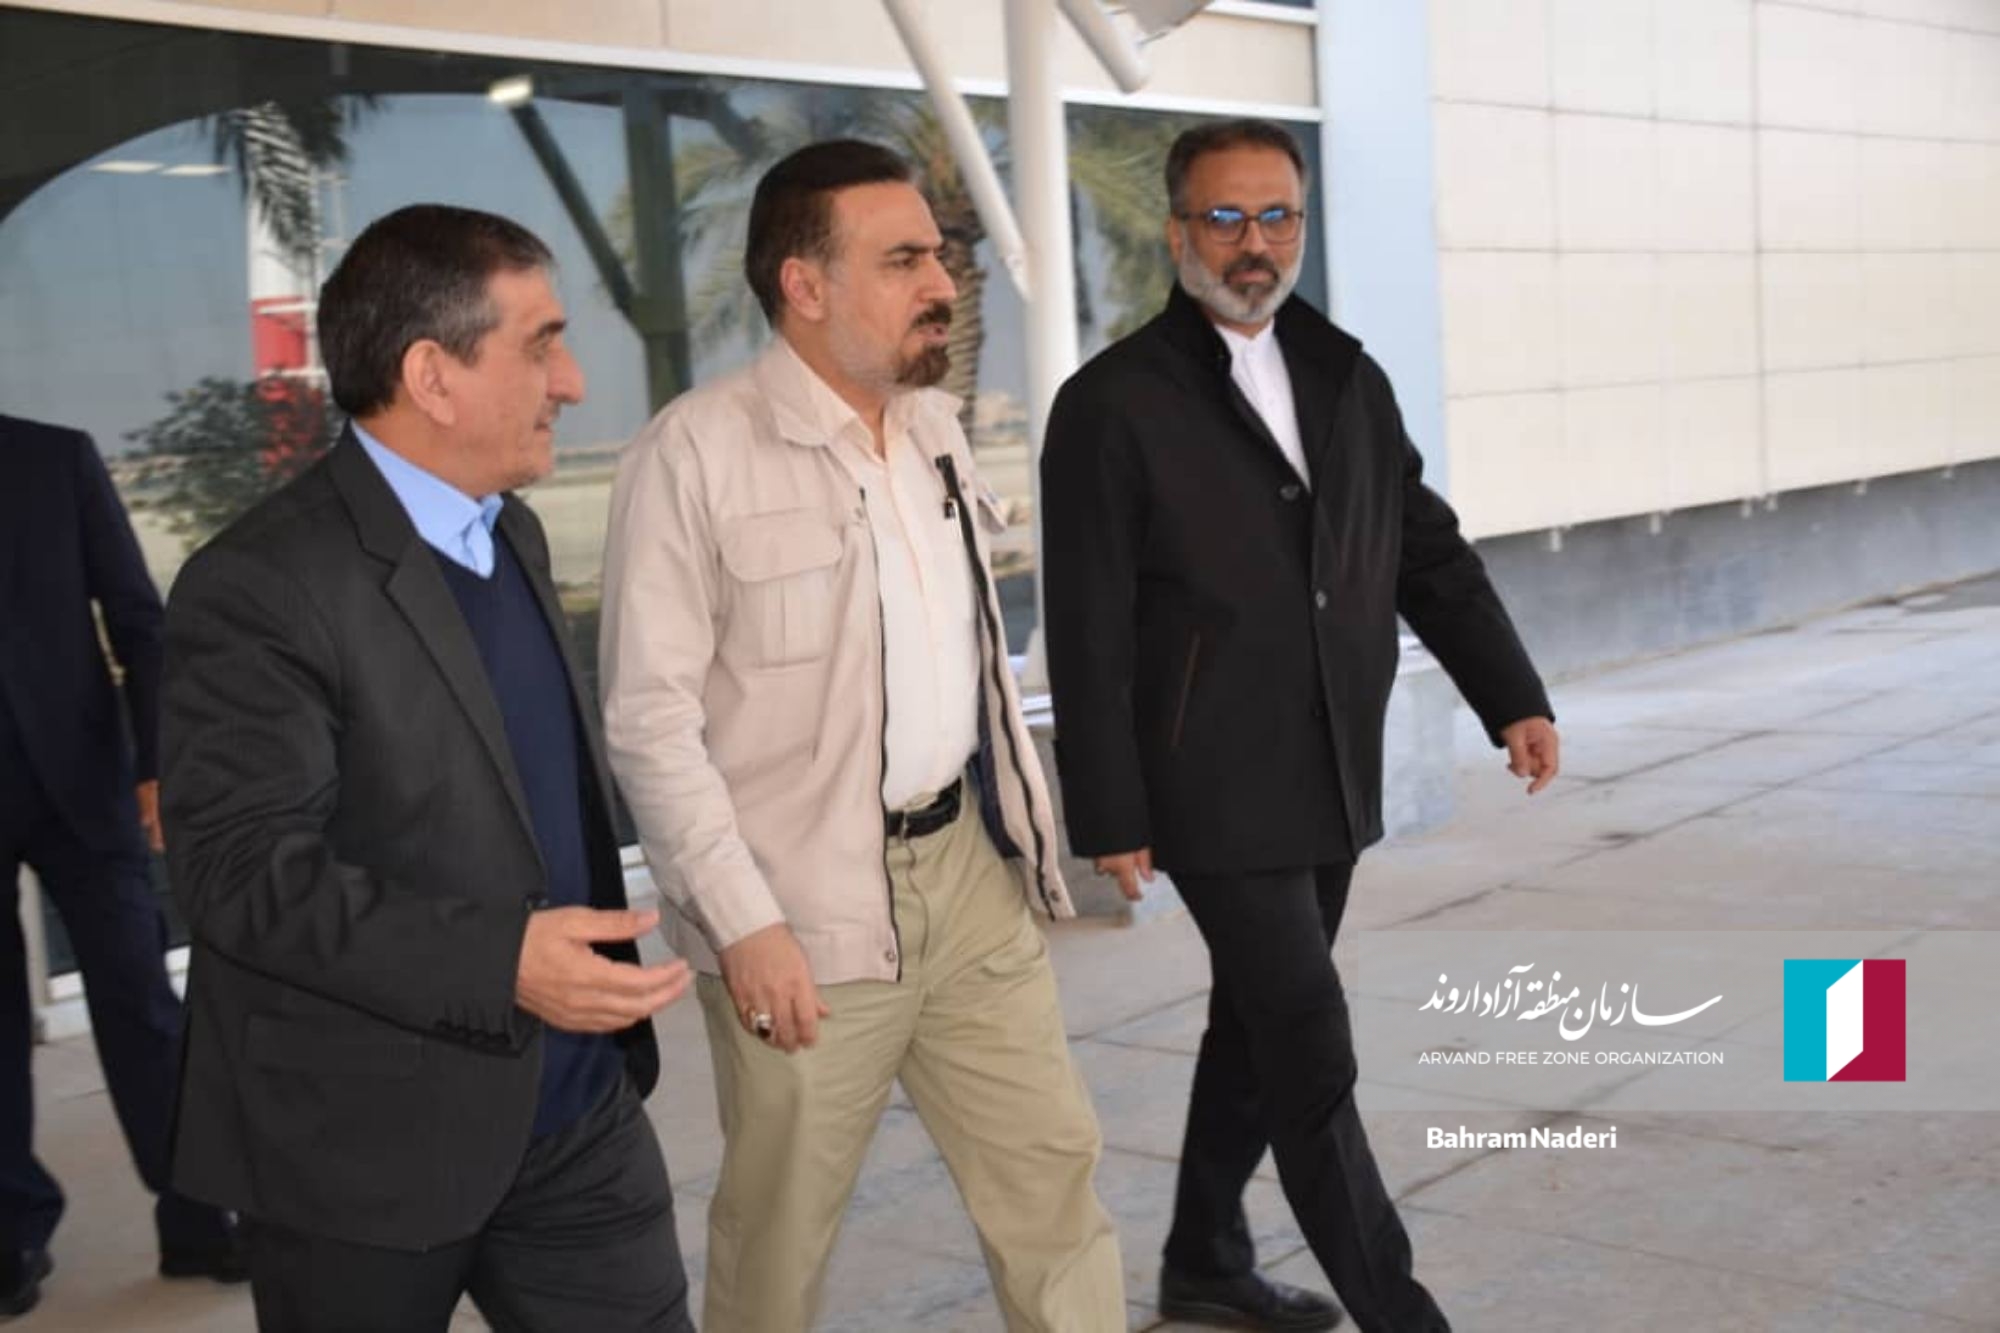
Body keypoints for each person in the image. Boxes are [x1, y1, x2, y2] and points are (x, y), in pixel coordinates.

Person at [1041, 119, 1561, 1333]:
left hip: (1328, 769)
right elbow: (1087, 620)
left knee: (1255, 1021)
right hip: (1207, 782)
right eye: (1224, 217)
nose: (1253, 242)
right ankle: (1402, 1314)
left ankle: (1204, 1259)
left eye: (1276, 215)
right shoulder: (1111, 402)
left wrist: (1510, 694)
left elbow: (1421, 549)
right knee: (1309, 1044)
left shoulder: (1344, 375)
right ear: (1175, 231)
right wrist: (1107, 806)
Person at [601, 139, 1125, 1332]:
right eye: (902, 261)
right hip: (798, 910)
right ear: (804, 284)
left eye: (936, 255)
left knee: (1051, 1181)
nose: (940, 283)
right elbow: (648, 721)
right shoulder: (692, 454)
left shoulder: (934, 428)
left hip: (965, 875)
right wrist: (744, 922)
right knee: (779, 1235)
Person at [159, 204, 695, 1332]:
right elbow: (240, 873)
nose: (572, 383)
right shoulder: (257, 584)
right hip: (359, 1153)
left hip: (575, 1119)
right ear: (431, 376)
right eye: (541, 345)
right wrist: (500, 959)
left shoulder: (513, 533)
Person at [0, 414, 244, 1315]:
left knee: (140, 1002)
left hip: (81, 780)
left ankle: (197, 1212)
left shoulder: (52, 457)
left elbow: (140, 620)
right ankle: (12, 1230)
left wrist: (156, 760)